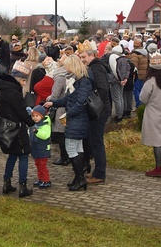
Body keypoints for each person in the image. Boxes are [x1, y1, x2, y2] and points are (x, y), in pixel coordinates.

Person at [44, 54, 93, 191]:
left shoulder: (83, 82)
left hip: (77, 119)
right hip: (77, 118)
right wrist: (53, 103)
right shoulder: (78, 81)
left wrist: (67, 114)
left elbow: (79, 103)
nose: (65, 69)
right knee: (78, 148)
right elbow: (69, 99)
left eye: (67, 66)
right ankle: (79, 178)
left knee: (71, 148)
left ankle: (80, 179)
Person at [0, 60, 35, 198]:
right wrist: (31, 122)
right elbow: (21, 112)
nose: (25, 83)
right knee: (23, 156)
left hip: (7, 128)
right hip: (17, 128)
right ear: (18, 79)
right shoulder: (14, 92)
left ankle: (6, 182)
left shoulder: (3, 89)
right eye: (24, 80)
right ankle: (23, 186)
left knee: (12, 156)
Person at [77, 40, 110, 185]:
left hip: (100, 109)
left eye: (84, 57)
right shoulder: (94, 66)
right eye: (81, 57)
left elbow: (103, 89)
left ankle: (100, 173)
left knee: (97, 141)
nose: (82, 60)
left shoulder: (96, 68)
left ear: (91, 55)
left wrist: (93, 102)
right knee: (95, 140)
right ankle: (97, 171)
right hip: (99, 108)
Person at [140, 52, 161, 177]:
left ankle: (159, 168)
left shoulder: (151, 81)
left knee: (156, 143)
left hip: (152, 115)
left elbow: (143, 98)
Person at [29, 104, 52, 189]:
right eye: (33, 116)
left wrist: (37, 131)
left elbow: (45, 135)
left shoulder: (45, 125)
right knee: (38, 165)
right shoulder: (34, 125)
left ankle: (46, 180)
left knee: (42, 165)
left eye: (37, 116)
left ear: (42, 116)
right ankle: (40, 179)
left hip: (43, 149)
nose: (35, 118)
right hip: (36, 149)